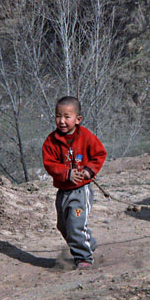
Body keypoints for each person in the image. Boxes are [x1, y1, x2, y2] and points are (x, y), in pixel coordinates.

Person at [42, 96, 107, 270]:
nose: (61, 121)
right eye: (58, 116)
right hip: (63, 191)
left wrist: (88, 171)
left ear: (78, 119)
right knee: (63, 225)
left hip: (80, 191)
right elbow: (49, 164)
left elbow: (100, 154)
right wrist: (66, 173)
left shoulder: (86, 137)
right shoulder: (51, 141)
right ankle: (88, 243)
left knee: (75, 224)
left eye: (66, 116)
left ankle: (84, 258)